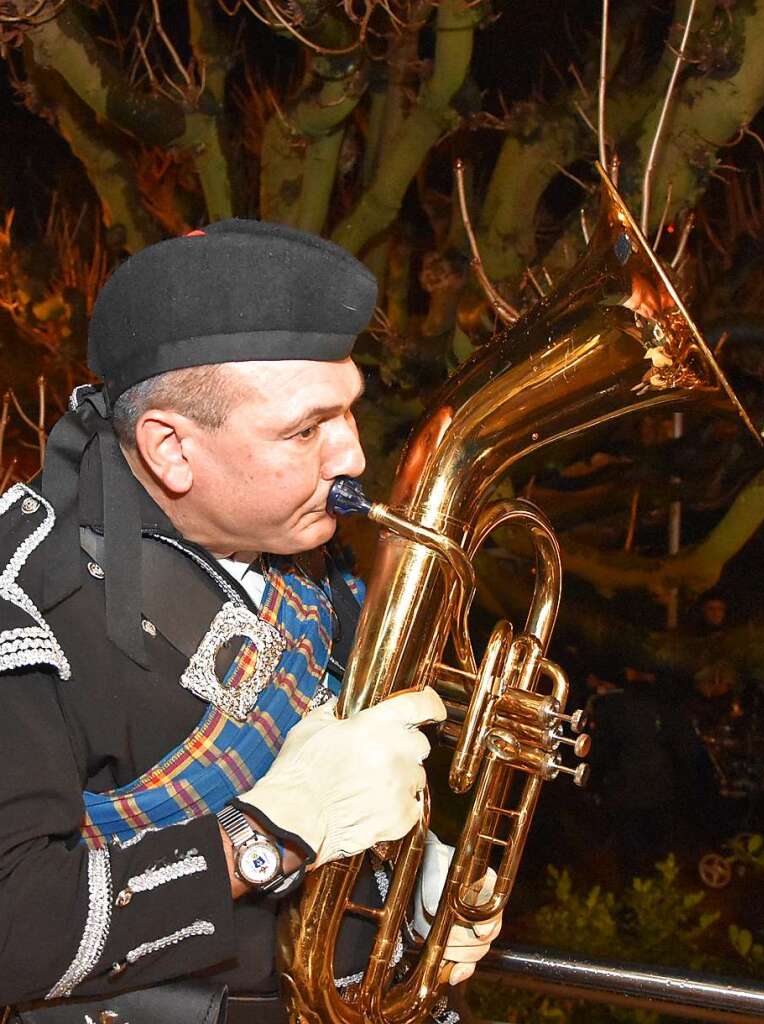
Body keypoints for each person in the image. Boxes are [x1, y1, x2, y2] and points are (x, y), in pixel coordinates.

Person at [0, 222, 501, 1022]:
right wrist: (264, 837)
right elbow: (11, 930)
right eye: (305, 430)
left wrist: (414, 882)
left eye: (347, 414)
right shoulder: (22, 603)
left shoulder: (305, 551)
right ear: (170, 448)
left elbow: (333, 753)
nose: (353, 458)